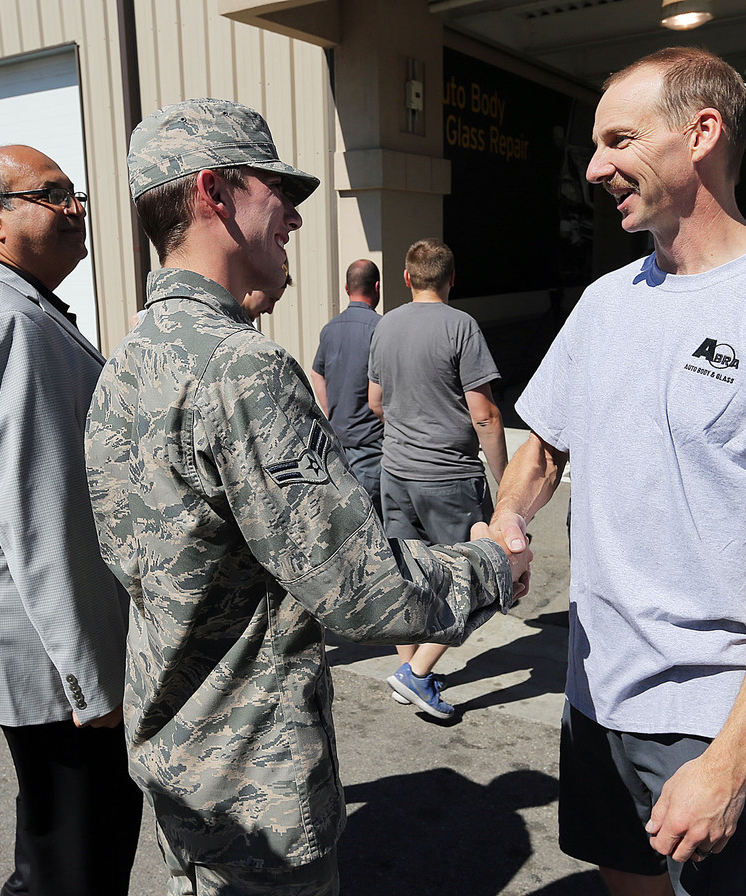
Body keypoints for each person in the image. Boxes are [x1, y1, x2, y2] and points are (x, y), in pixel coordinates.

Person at [84, 97, 528, 896]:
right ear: (214, 194)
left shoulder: (129, 357)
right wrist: (493, 563)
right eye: (274, 190)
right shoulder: (241, 368)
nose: (291, 215)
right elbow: (361, 589)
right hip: (257, 780)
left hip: (180, 762)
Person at [487, 48, 746, 896]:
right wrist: (509, 518)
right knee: (626, 884)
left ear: (701, 132)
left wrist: (734, 760)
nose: (596, 166)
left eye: (619, 139)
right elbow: (544, 446)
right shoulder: (607, 302)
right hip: (596, 691)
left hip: (711, 721)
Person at [0, 145, 141, 896]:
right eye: (54, 195)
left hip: (20, 617)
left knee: (53, 822)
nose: (77, 207)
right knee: (85, 836)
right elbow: (42, 513)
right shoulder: (11, 322)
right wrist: (91, 680)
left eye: (75, 192)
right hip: (41, 632)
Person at [367, 238, 509, 720]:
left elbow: (375, 402)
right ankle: (416, 675)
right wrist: (505, 479)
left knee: (409, 573)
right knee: (481, 572)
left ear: (407, 278)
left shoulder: (386, 326)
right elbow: (485, 415)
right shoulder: (461, 326)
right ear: (451, 278)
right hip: (449, 474)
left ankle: (406, 669)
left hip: (396, 472)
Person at [310, 259, 385, 512]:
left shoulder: (330, 329)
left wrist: (331, 410)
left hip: (340, 441)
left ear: (346, 288)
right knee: (374, 517)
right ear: (377, 287)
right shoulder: (381, 329)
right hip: (373, 441)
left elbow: (316, 372)